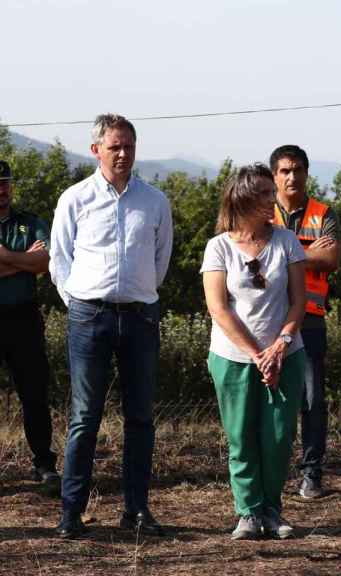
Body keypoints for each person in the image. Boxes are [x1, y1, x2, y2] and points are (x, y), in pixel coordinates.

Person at [49, 114, 174, 539]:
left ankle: (136, 510)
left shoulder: (155, 201)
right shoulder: (75, 198)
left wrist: (136, 294)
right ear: (96, 150)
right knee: (85, 417)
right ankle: (71, 513)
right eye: (115, 146)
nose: (123, 154)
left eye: (130, 147)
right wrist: (81, 302)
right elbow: (59, 261)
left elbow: (161, 260)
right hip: (89, 317)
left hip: (140, 317)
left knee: (140, 418)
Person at [201, 164, 308, 540]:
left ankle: (272, 510)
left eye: (270, 191)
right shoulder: (219, 247)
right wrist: (257, 354)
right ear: (242, 197)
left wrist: (280, 345)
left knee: (278, 437)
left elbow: (300, 301)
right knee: (241, 436)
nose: (272, 198)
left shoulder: (286, 241)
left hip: (286, 355)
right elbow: (219, 308)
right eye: (263, 193)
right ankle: (248, 512)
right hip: (232, 358)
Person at [269, 145, 340, 499]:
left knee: (312, 400)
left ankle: (312, 472)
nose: (291, 176)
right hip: (267, 318)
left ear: (306, 173)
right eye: (284, 171)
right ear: (274, 176)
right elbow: (251, 253)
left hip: (310, 320)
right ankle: (272, 471)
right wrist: (306, 251)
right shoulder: (261, 212)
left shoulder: (323, 213)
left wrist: (282, 252)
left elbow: (330, 258)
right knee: (269, 397)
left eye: (297, 170)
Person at [0, 159, 59, 489]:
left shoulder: (29, 222)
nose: (1, 188)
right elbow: (33, 262)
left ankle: (43, 463)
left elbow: (47, 260)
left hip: (24, 317)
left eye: (5, 182)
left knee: (34, 393)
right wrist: (24, 262)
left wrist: (5, 256)